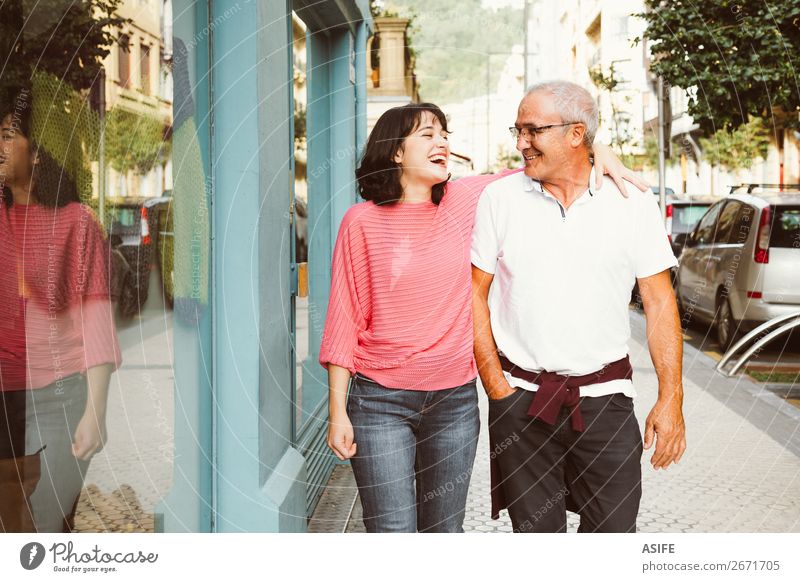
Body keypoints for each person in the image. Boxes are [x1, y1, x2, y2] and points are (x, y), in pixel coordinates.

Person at [319, 101, 645, 532]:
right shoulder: (360, 222)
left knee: (445, 531)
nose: (442, 142)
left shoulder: (466, 199)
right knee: (392, 532)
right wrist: (337, 411)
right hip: (380, 402)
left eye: (444, 133)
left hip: (452, 402)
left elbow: (546, 164)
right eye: (427, 134)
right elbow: (345, 319)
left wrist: (598, 149)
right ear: (396, 151)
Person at [471, 80, 686, 533]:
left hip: (606, 402)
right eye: (518, 130)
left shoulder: (632, 201)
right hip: (521, 403)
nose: (521, 143)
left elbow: (659, 301)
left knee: (613, 535)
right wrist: (495, 386)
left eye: (532, 130)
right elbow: (474, 293)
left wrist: (671, 397)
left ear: (575, 134)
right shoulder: (499, 198)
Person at [0, 89, 121, 532]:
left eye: (9, 134)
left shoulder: (75, 222)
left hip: (56, 401)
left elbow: (96, 320)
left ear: (38, 154)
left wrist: (96, 410)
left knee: (44, 532)